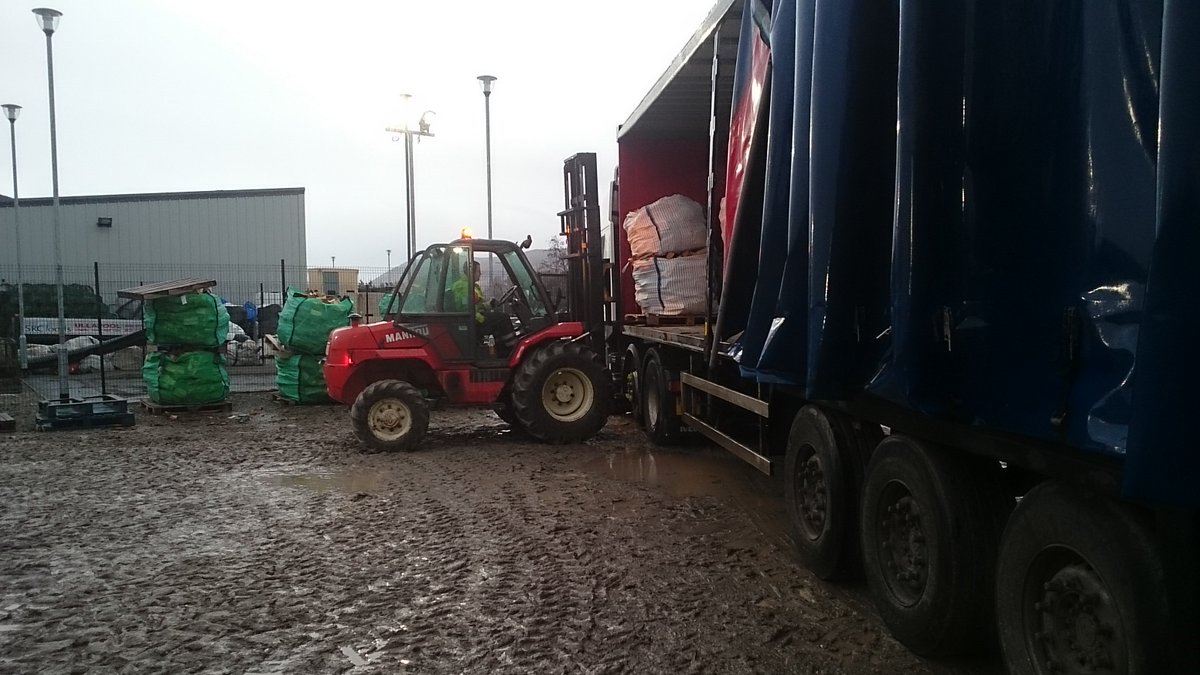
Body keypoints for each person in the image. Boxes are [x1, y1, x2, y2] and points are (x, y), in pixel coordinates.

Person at [451, 260, 517, 354]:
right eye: (478, 271)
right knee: (504, 318)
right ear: (471, 271)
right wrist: (482, 318)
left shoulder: (473, 286)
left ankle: (502, 352)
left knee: (497, 322)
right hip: (472, 321)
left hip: (475, 318)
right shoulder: (462, 286)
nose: (480, 273)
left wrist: (490, 304)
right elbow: (466, 308)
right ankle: (513, 348)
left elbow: (478, 305)